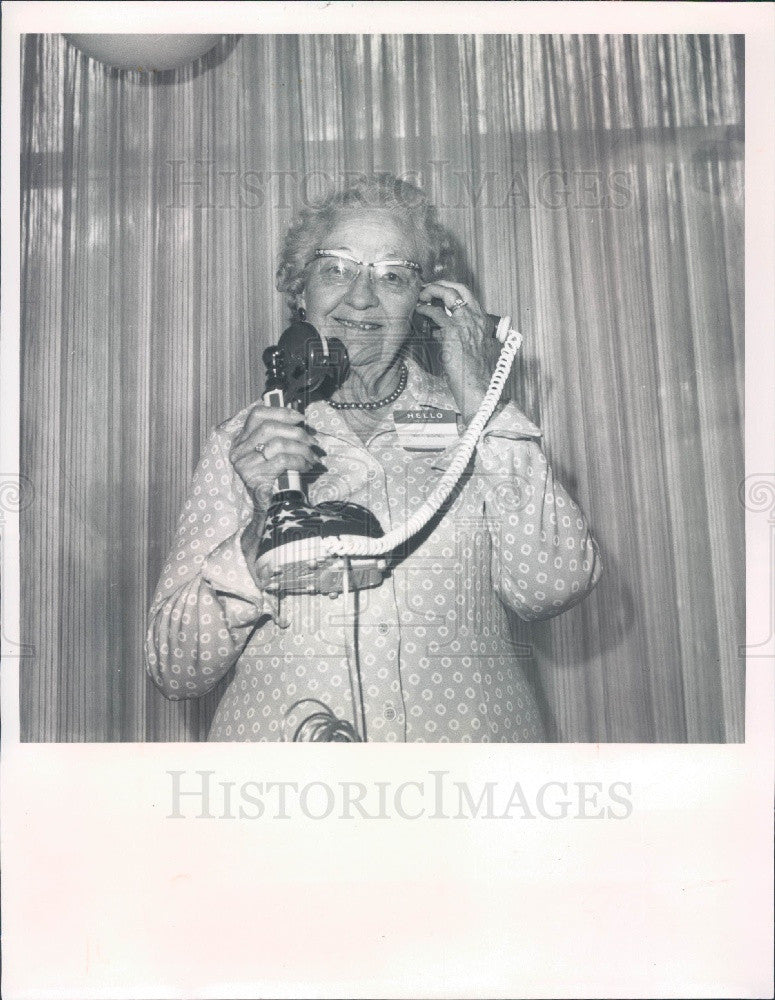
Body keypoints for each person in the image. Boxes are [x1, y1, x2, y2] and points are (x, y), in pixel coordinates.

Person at [145, 174, 601, 742]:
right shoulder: (244, 441)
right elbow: (174, 664)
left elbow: (553, 584)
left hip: (461, 784)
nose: (361, 297)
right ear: (299, 289)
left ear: (425, 303)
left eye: (393, 276)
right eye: (336, 268)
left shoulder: (476, 424)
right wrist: (259, 529)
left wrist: (485, 401)